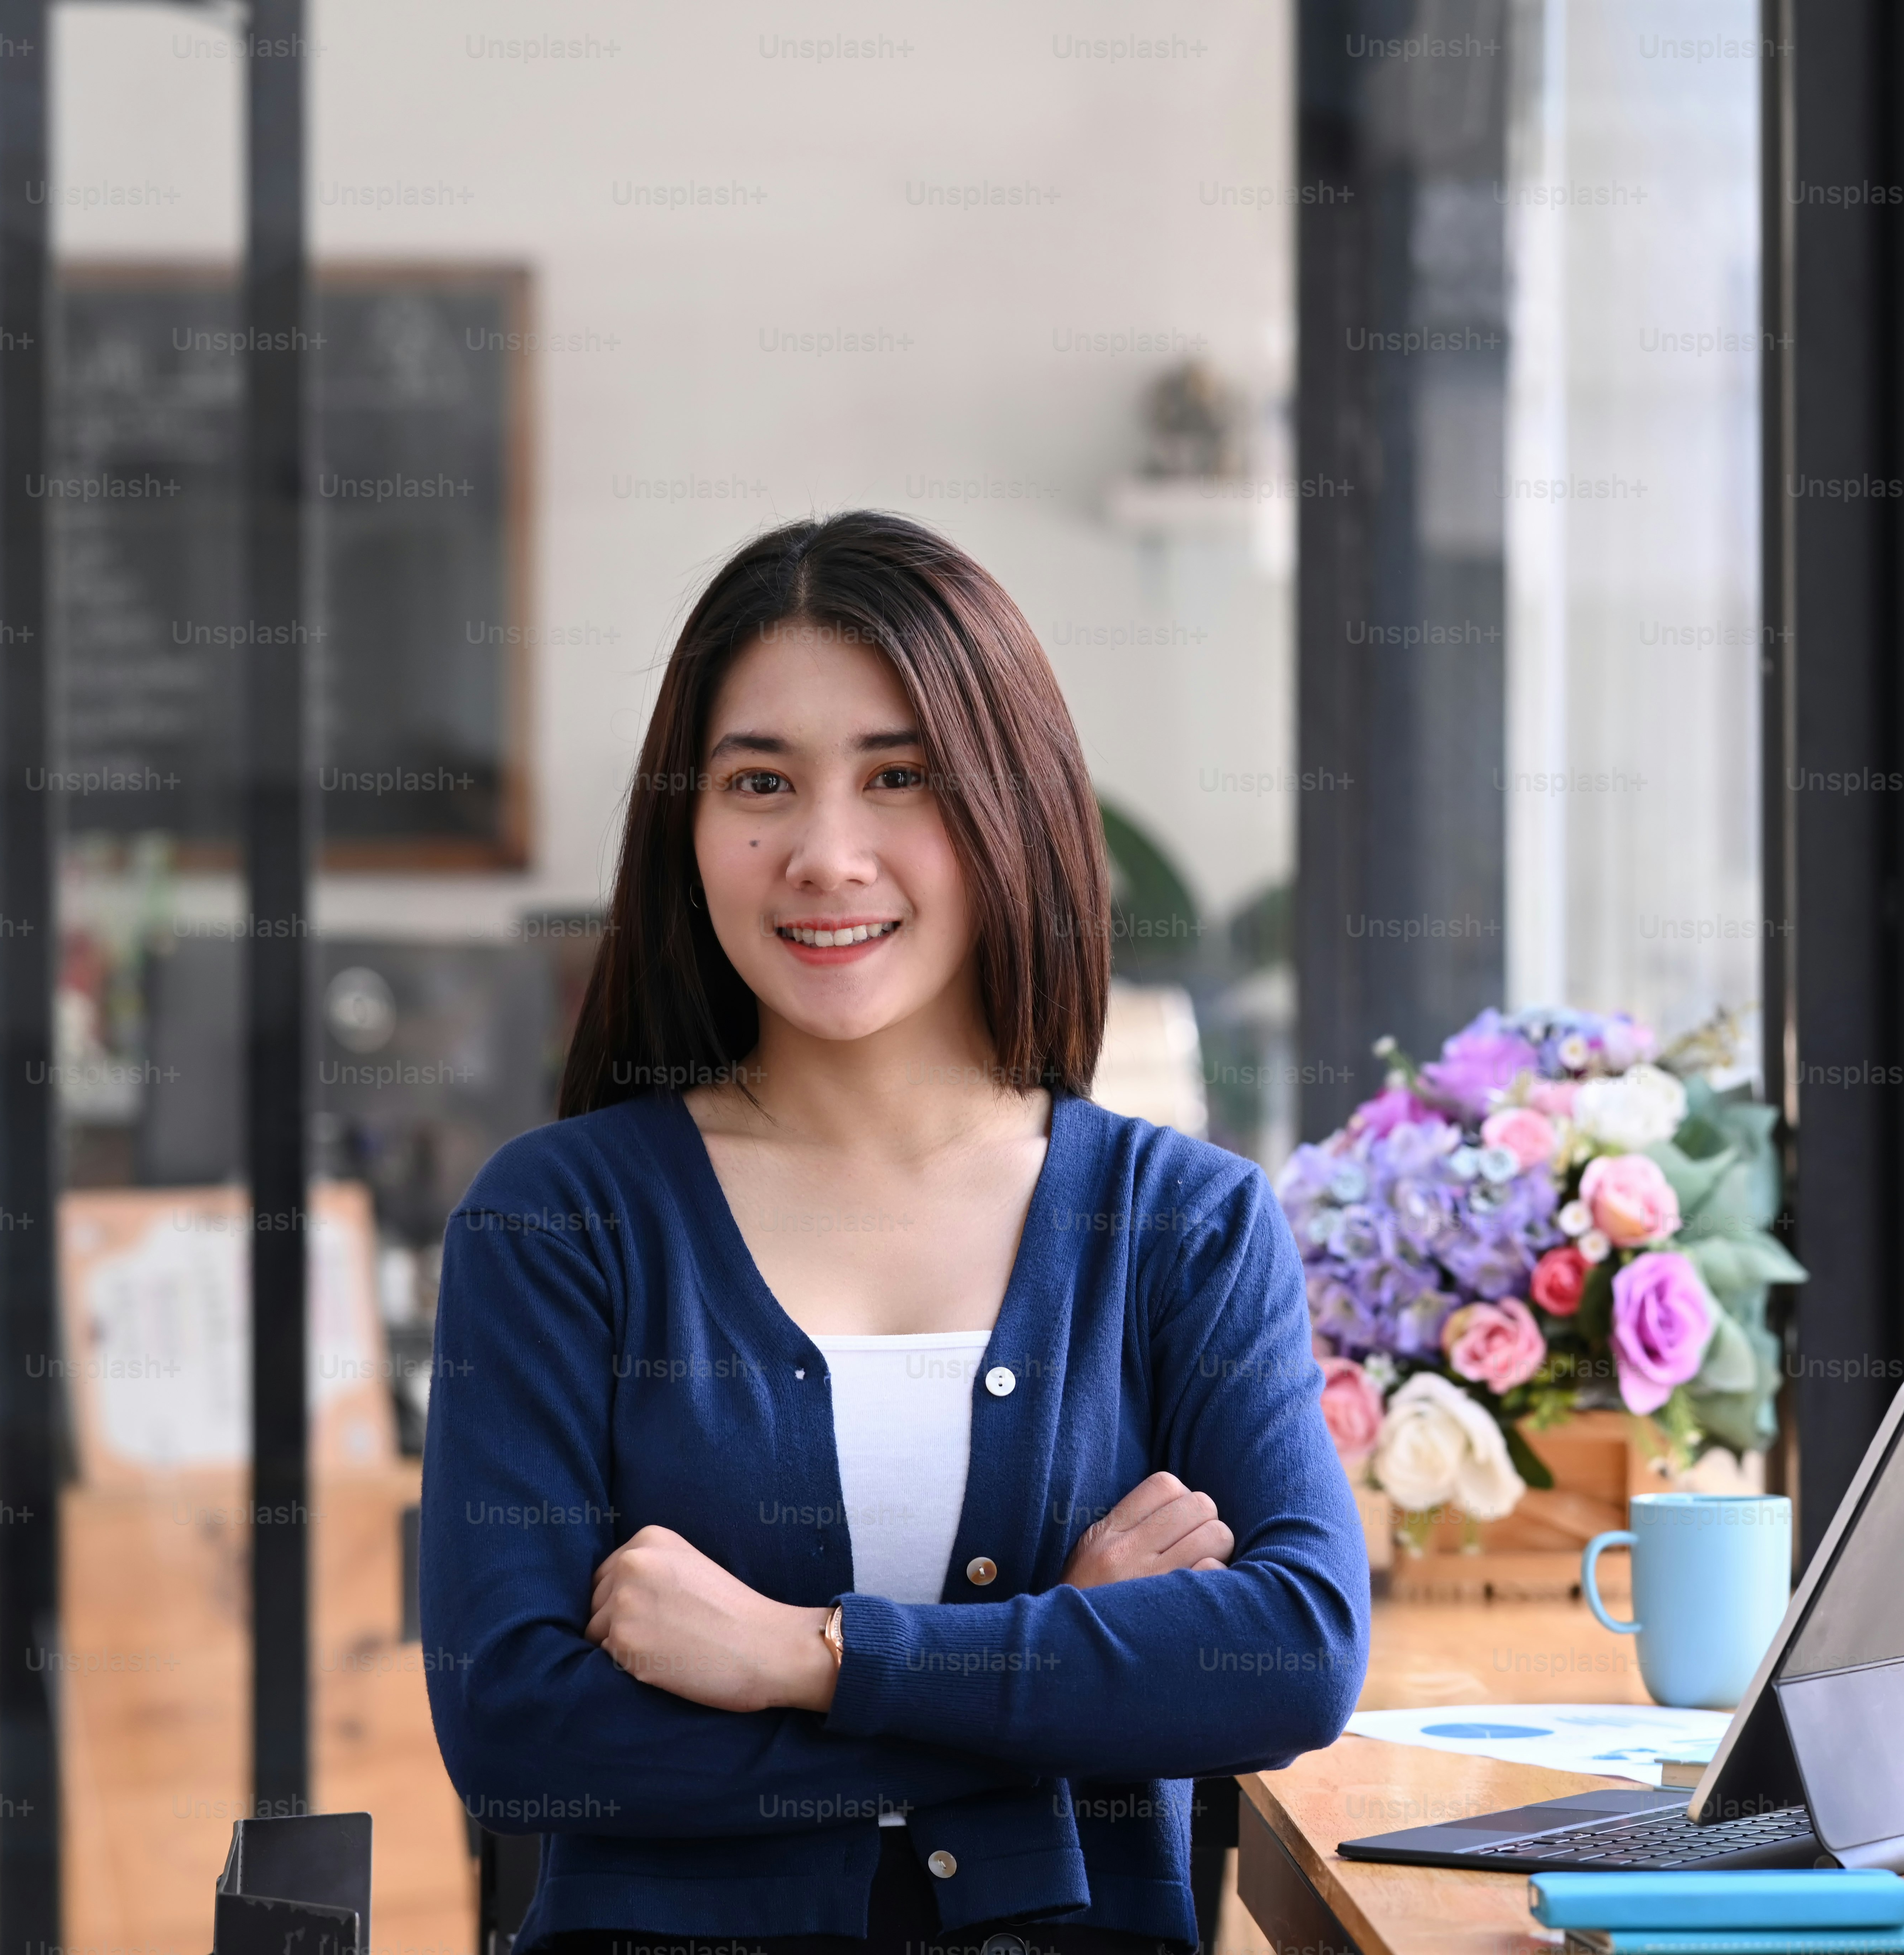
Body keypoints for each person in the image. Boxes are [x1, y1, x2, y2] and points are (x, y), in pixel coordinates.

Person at [419, 512, 1369, 1955]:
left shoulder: (1181, 1223)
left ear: (1012, 805)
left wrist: (804, 1654)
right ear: (687, 827)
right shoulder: (560, 1219)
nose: (826, 852)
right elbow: (521, 1734)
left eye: (898, 777)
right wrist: (1064, 1664)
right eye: (761, 781)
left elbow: (1290, 1653)